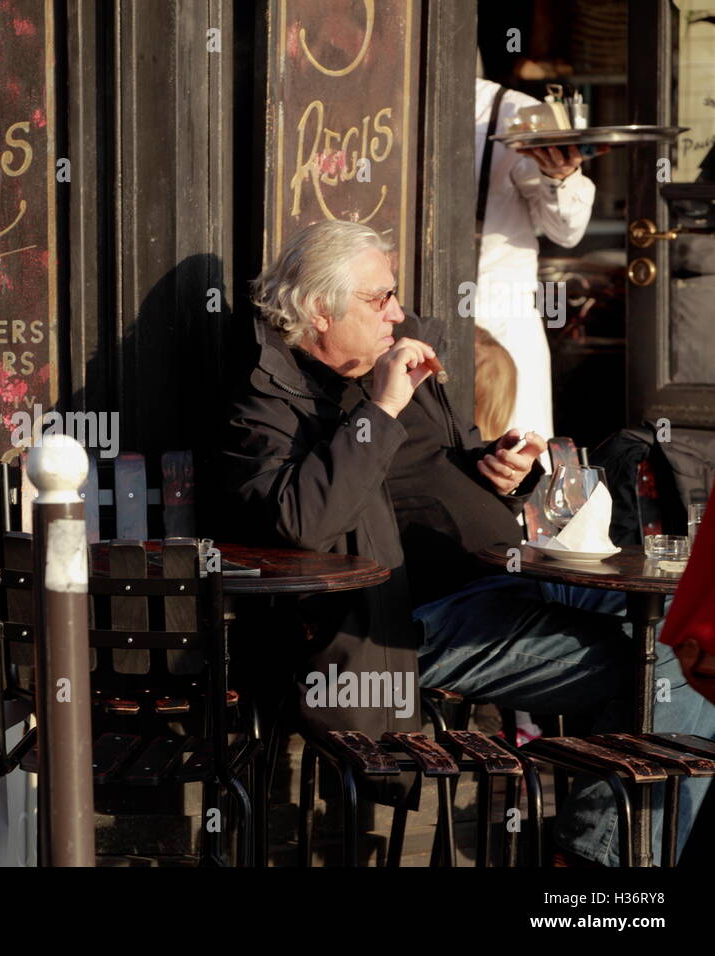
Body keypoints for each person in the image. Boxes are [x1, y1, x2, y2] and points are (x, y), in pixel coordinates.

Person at [221, 219, 715, 866]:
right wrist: (382, 408)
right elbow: (301, 520)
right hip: (410, 617)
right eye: (379, 300)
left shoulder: (395, 361)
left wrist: (499, 469)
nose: (397, 314)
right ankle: (601, 868)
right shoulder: (267, 398)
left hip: (514, 569)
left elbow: (435, 471)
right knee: (664, 672)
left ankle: (613, 858)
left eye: (394, 295)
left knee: (695, 639)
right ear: (319, 310)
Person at [474, 76, 596, 442]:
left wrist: (561, 176)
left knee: (515, 456)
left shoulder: (512, 111)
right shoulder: (379, 95)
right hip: (401, 317)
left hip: (500, 322)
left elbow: (566, 232)